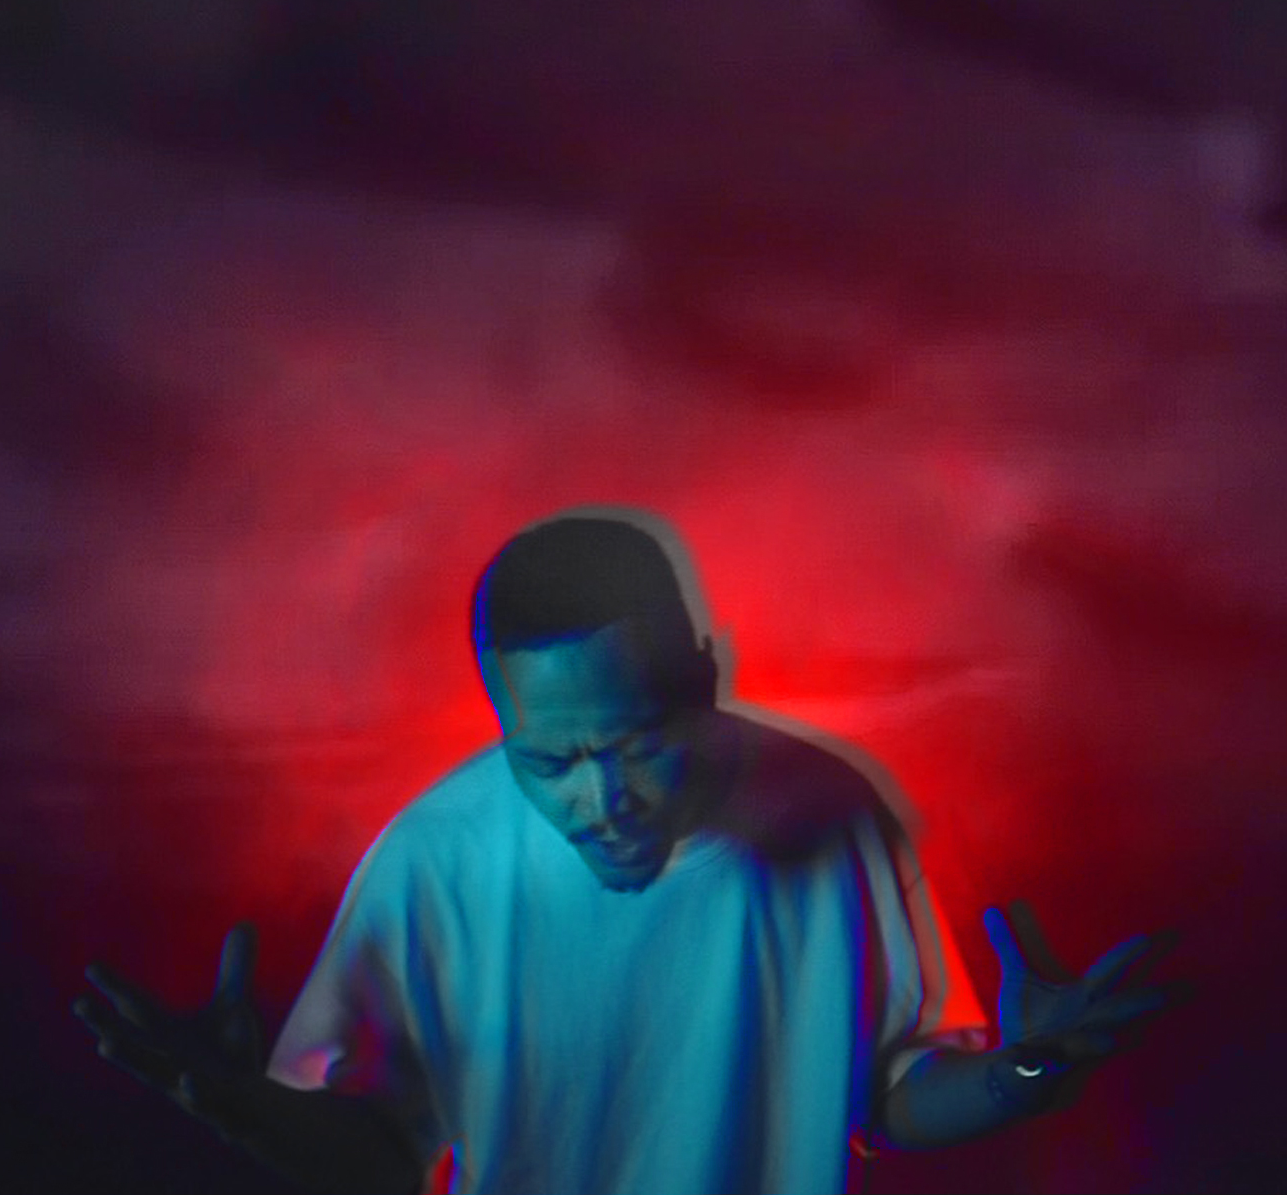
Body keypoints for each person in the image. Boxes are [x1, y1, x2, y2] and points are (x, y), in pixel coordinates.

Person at [75, 507, 1176, 1194]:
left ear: (708, 681)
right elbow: (378, 1155)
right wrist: (240, 1109)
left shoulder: (833, 813)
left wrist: (1035, 1069)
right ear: (501, 721)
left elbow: (890, 1100)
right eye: (549, 762)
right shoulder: (434, 858)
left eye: (639, 746)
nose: (602, 802)